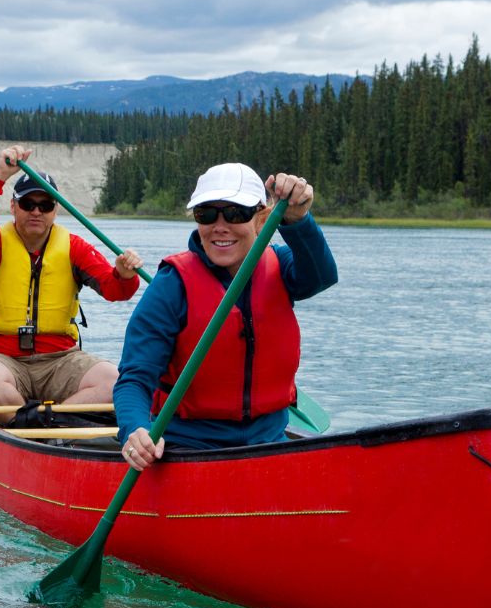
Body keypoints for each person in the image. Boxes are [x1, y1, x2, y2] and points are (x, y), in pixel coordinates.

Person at [114, 163, 338, 470]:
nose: (220, 225)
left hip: (269, 441)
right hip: (189, 446)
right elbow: (134, 378)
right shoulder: (171, 285)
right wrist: (135, 430)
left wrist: (299, 220)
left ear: (262, 219)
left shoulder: (282, 266)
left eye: (235, 213)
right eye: (206, 214)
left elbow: (321, 276)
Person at [0, 146, 144, 411]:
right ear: (13, 206)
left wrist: (124, 275)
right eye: (28, 204)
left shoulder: (75, 248)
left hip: (61, 360)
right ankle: (35, 421)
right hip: (1, 359)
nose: (36, 212)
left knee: (116, 382)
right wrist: (0, 175)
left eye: (46, 205)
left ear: (55, 210)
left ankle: (47, 423)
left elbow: (116, 291)